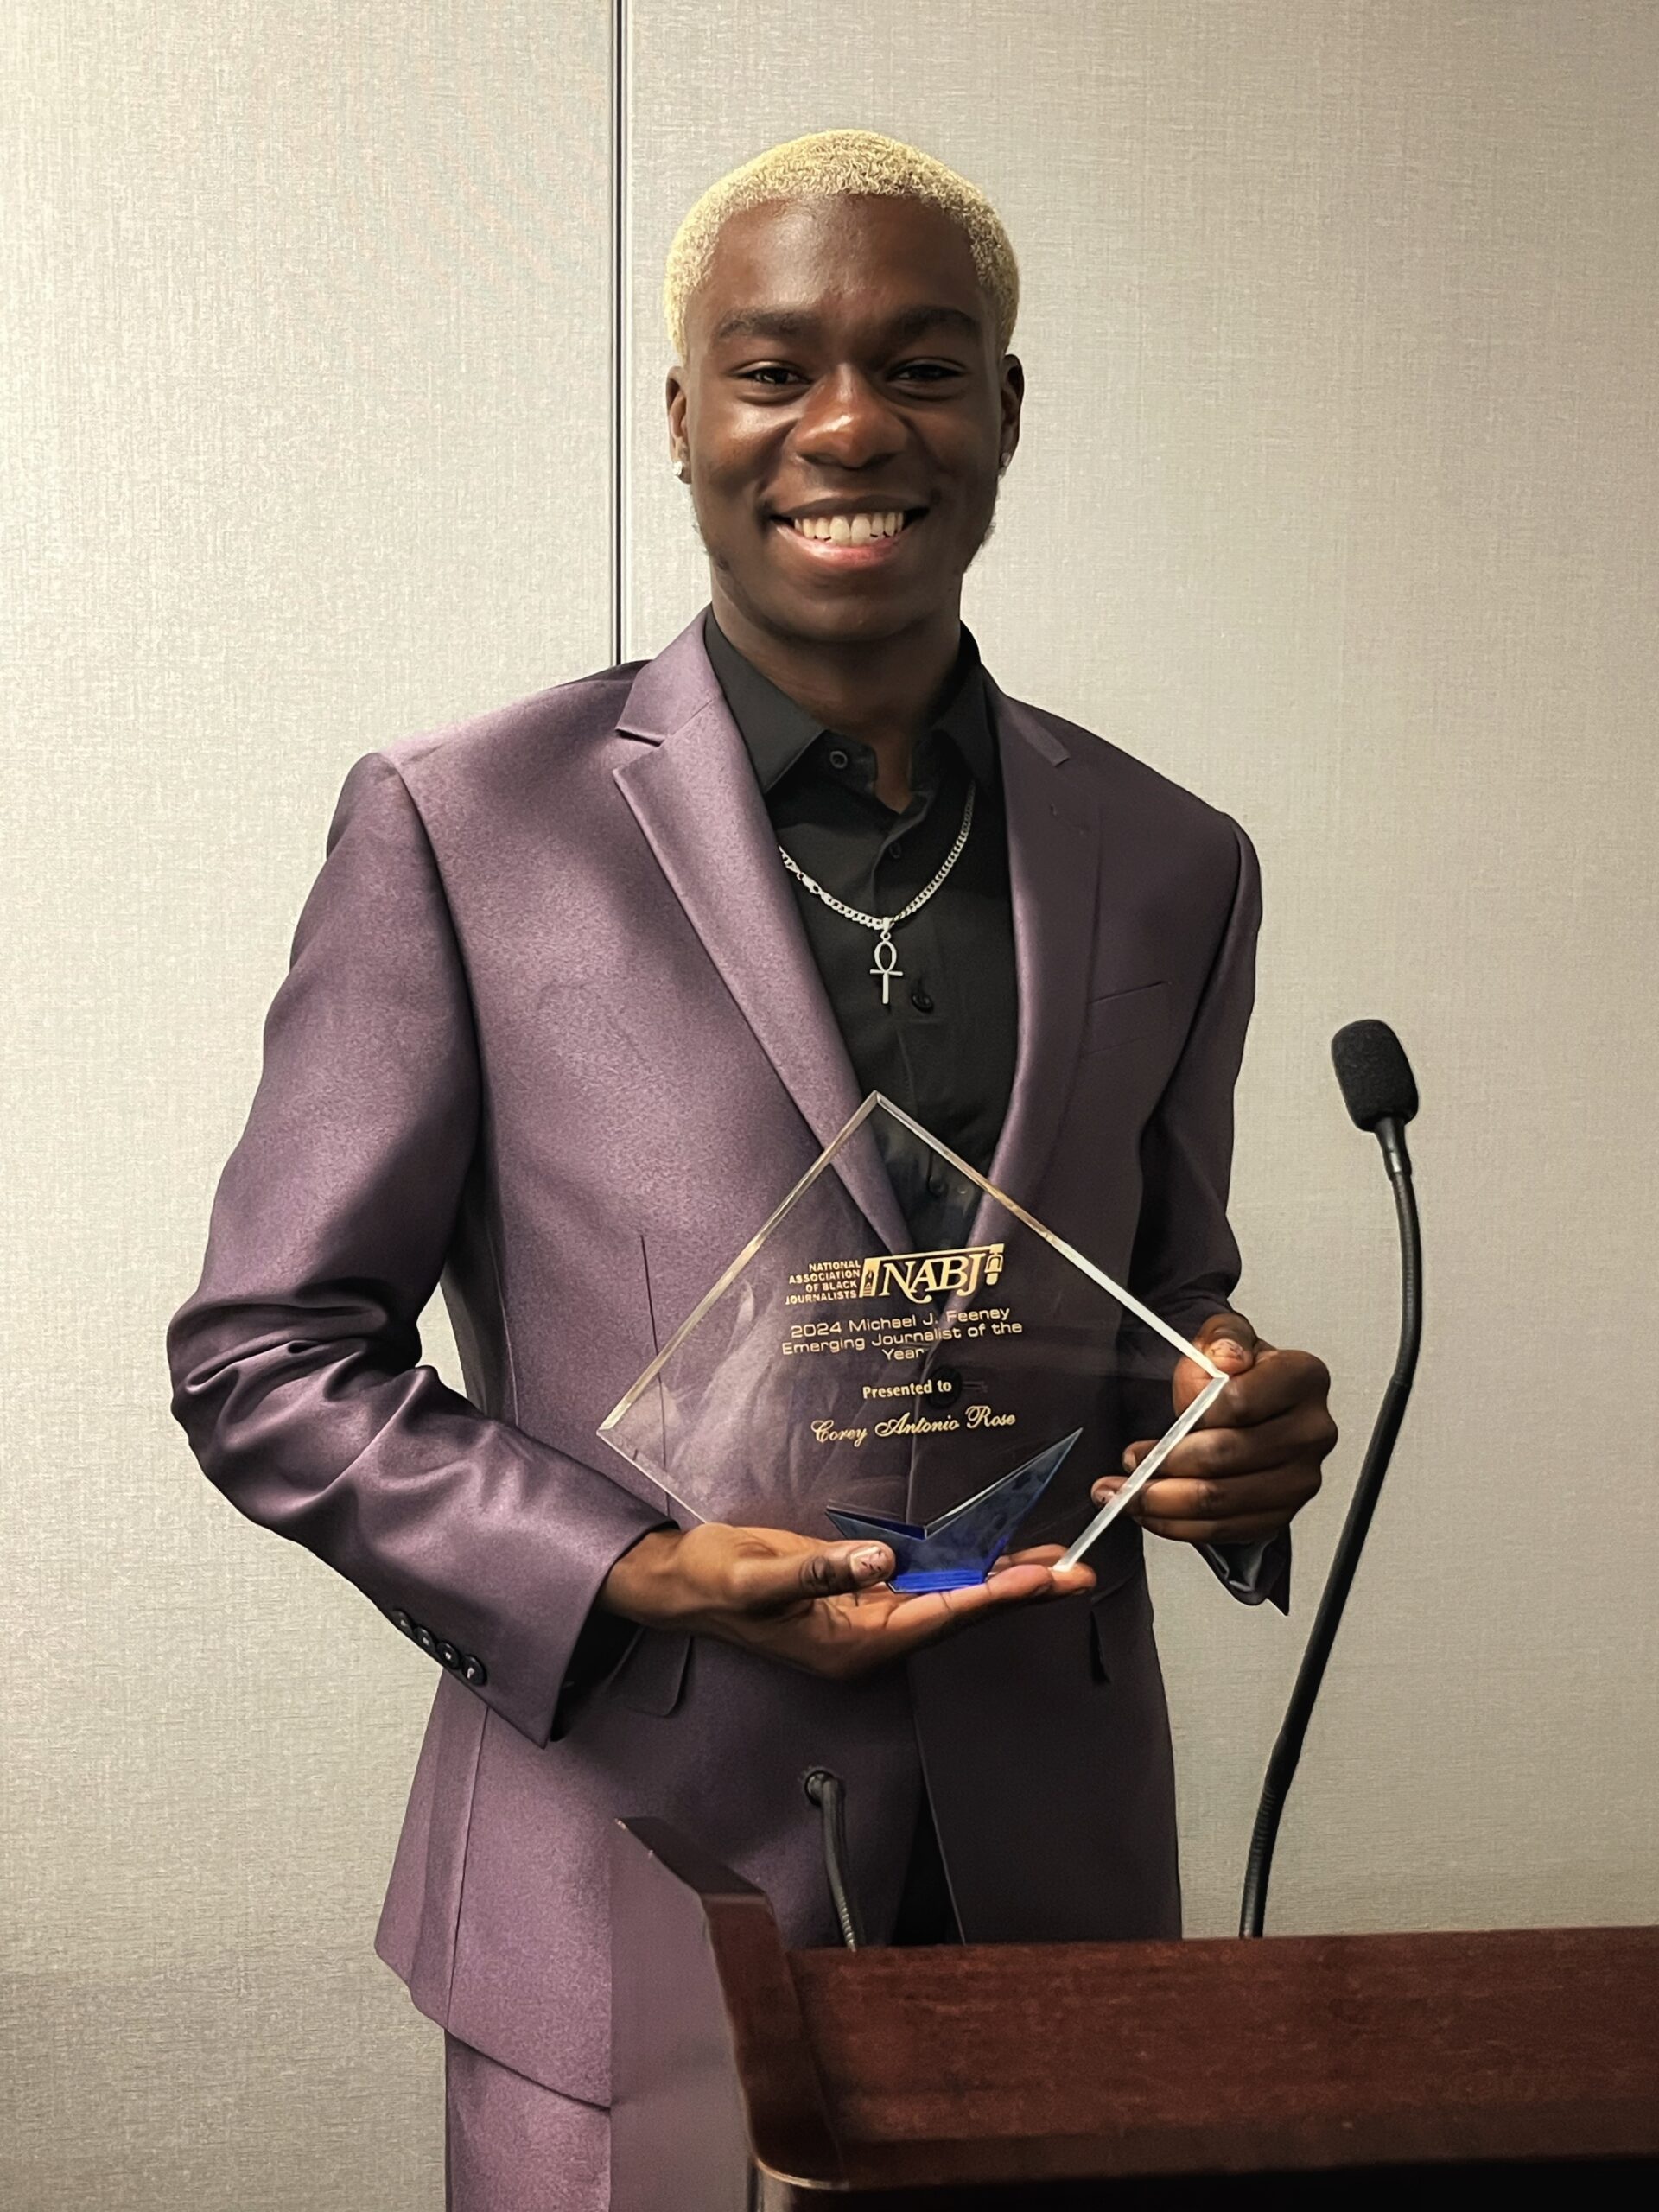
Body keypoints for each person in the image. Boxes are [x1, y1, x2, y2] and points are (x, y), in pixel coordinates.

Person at [168, 129, 1336, 2211]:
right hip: (625, 1881)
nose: (853, 425)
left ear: (1004, 411)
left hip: (1056, 1901)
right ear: (688, 413)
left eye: (924, 361)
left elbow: (1157, 1290)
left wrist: (1223, 1420)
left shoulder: (1176, 857)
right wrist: (621, 1572)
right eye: (779, 367)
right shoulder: (460, 825)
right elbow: (270, 1355)